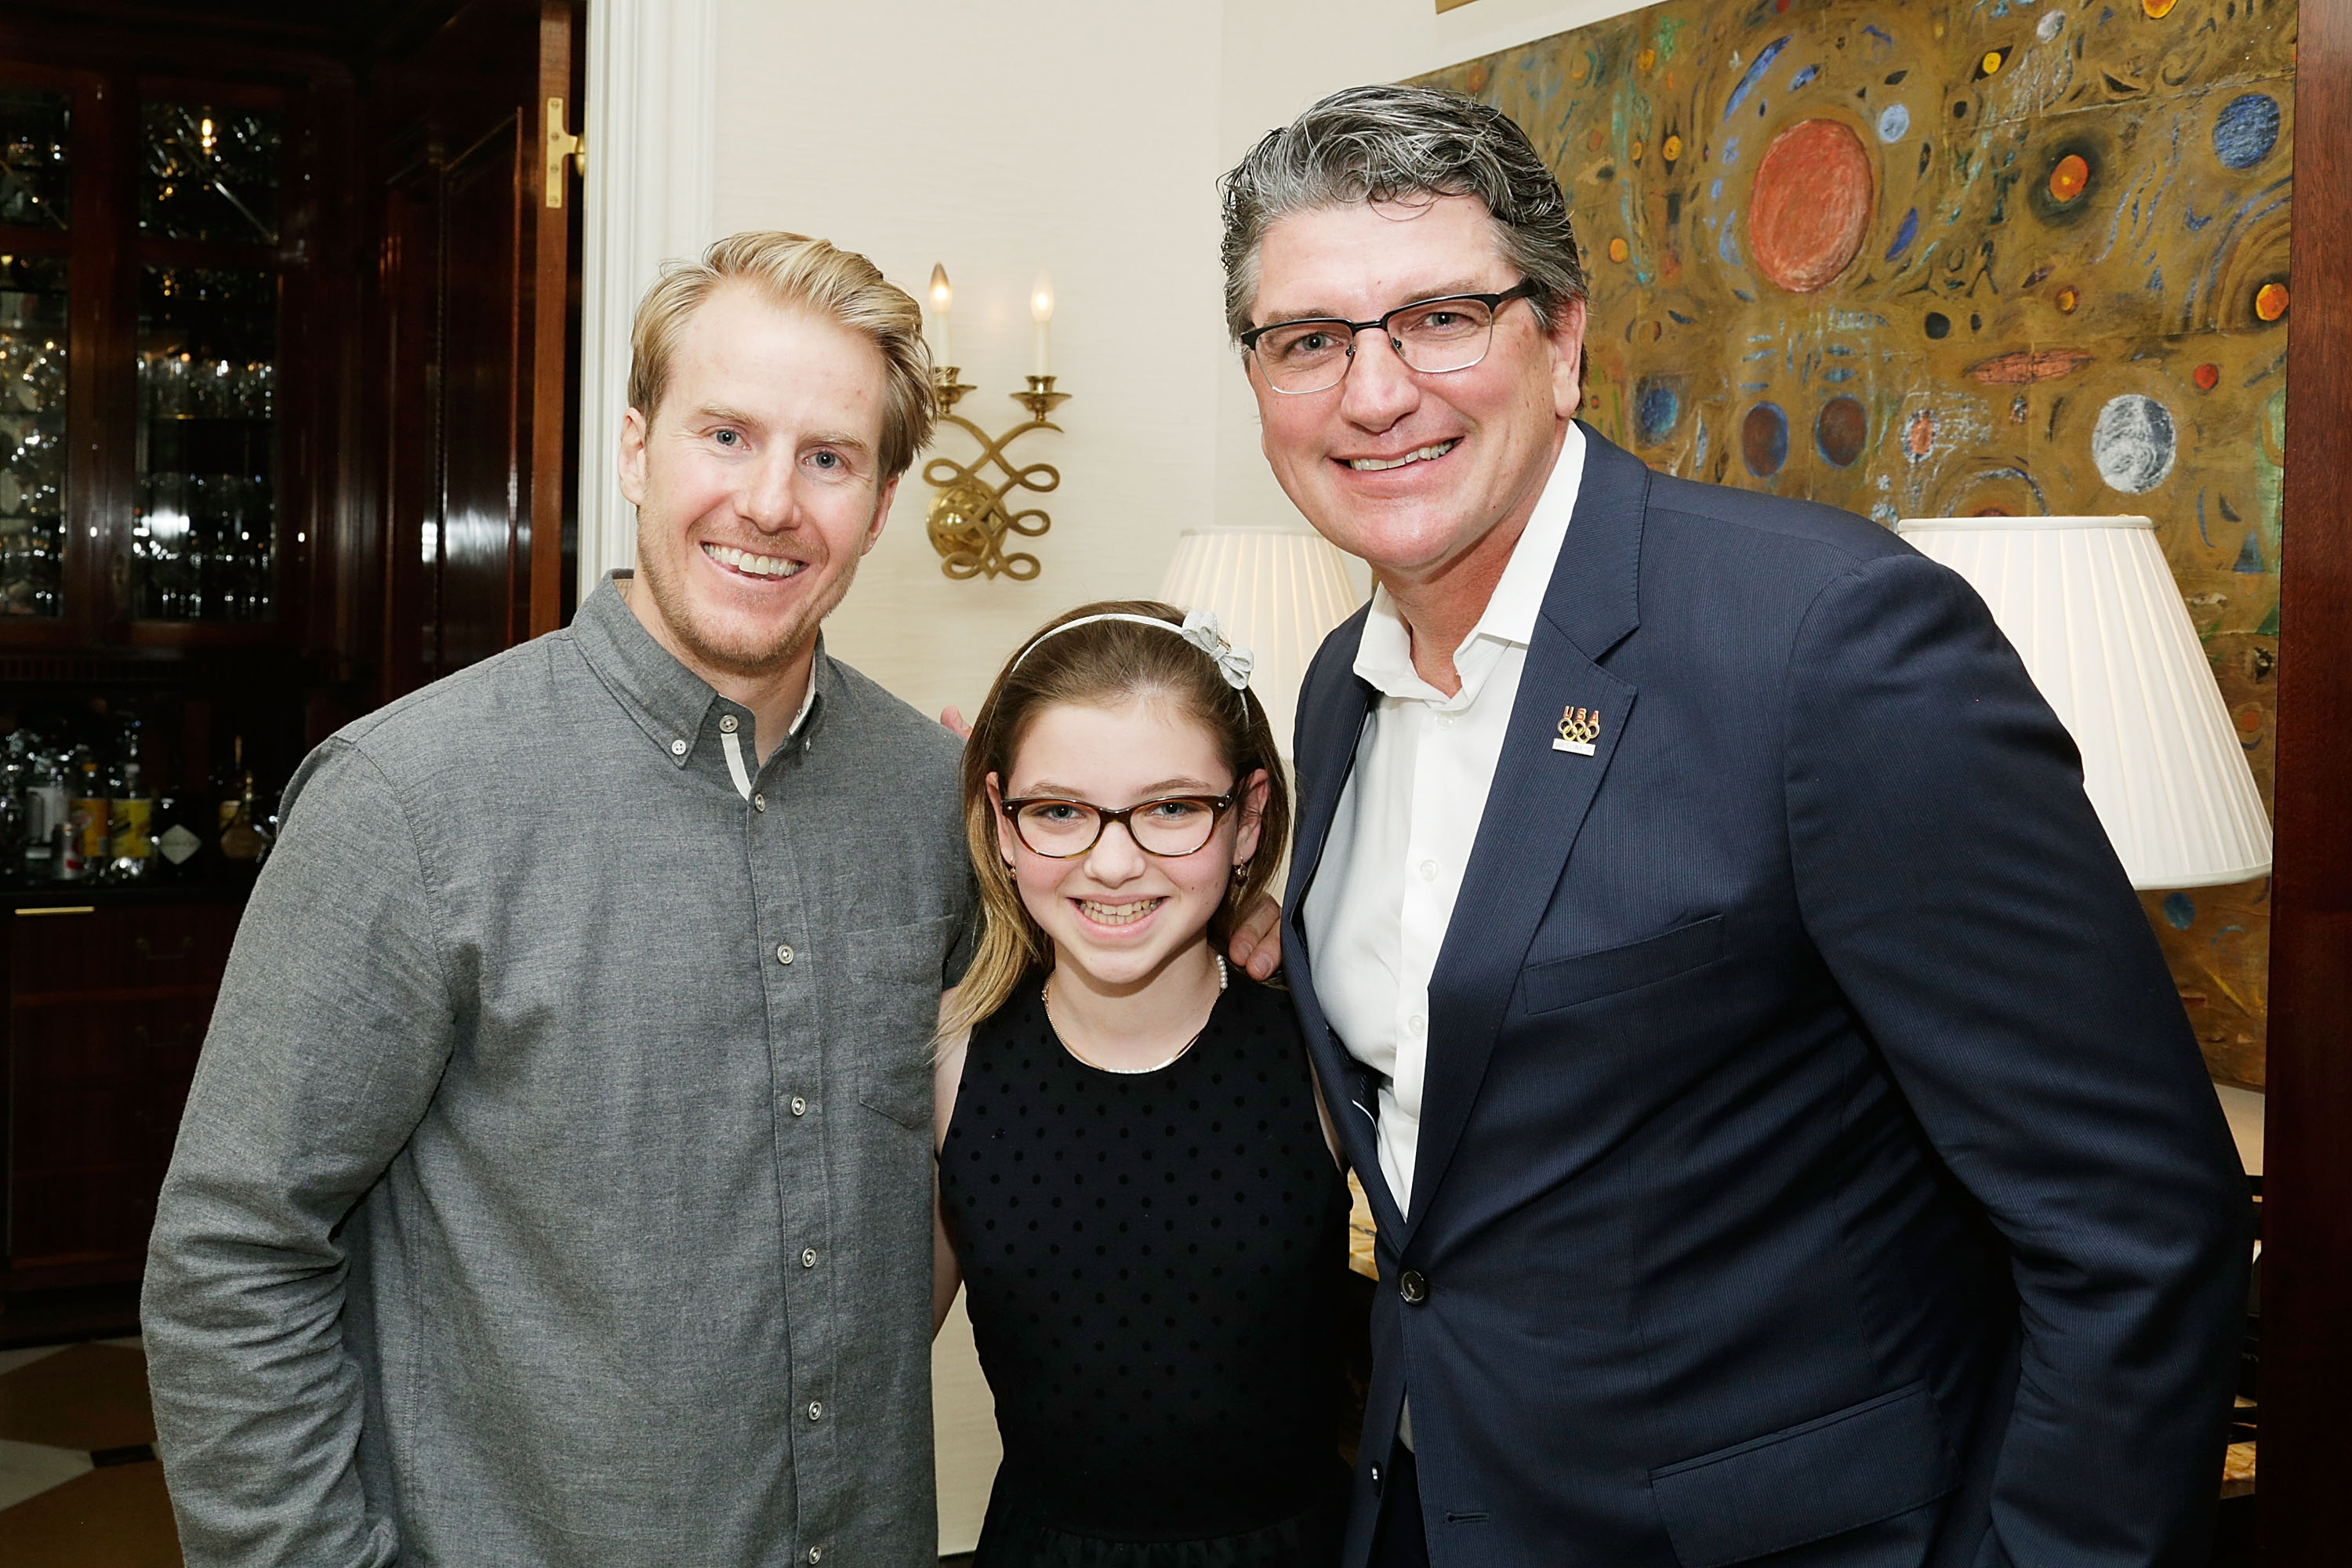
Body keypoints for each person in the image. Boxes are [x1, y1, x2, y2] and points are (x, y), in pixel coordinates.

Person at [1217, 85, 2251, 1568]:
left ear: (1562, 339)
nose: (1376, 395)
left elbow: (2138, 1230)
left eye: (1442, 317)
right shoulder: (1338, 686)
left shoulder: (1824, 641)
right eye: (1310, 340)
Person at [139, 231, 1279, 1567]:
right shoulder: (409, 801)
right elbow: (233, 1258)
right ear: (636, 449)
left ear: (886, 501)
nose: (771, 503)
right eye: (725, 435)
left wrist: (1242, 919)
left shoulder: (938, 799)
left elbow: (1077, 1040)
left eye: (830, 458)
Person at [931, 601, 1352, 1566]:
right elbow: (856, 1356)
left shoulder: (1322, 1053)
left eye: (1171, 807)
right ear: (1001, 822)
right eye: (1061, 810)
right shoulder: (951, 1065)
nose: (1114, 860)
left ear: (1246, 819)